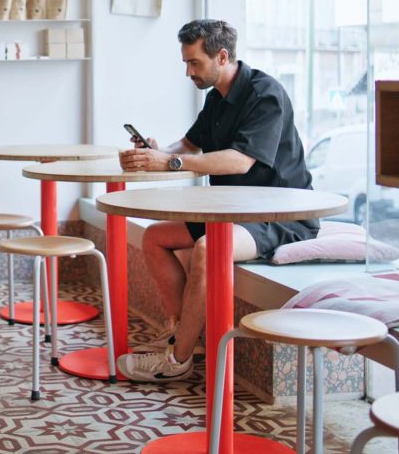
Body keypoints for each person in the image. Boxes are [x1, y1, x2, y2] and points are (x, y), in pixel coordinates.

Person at [115, 19, 317, 382]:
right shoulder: (216, 99)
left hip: (278, 217)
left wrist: (171, 162)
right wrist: (158, 153)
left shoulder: (265, 94)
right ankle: (185, 338)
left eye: (195, 63)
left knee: (209, 249)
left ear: (221, 56)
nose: (189, 72)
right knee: (154, 238)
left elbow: (240, 160)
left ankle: (175, 362)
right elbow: (189, 145)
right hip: (232, 213)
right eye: (186, 63)